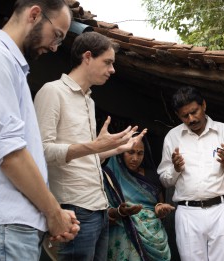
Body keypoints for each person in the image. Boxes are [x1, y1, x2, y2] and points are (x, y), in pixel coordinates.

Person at [0, 1, 80, 260]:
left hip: (7, 230)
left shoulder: (3, 62)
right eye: (57, 36)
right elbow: (11, 155)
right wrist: (53, 213)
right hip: (2, 229)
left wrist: (53, 213)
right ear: (34, 15)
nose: (54, 47)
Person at [34, 31, 144, 260]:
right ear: (87, 57)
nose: (112, 69)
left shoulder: (89, 101)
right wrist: (94, 147)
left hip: (99, 209)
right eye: (108, 62)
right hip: (72, 209)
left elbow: (86, 156)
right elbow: (41, 151)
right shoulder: (52, 92)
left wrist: (116, 148)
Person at [158, 86, 224, 261]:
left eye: (194, 112)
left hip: (222, 210)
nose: (191, 119)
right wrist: (176, 169)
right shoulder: (172, 137)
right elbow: (165, 181)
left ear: (203, 105)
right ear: (177, 115)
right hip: (188, 213)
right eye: (184, 116)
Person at [103, 133, 174, 261]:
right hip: (123, 232)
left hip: (153, 234)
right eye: (130, 152)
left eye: (140, 153)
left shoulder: (151, 176)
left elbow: (159, 205)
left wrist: (160, 209)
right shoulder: (110, 177)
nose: (135, 158)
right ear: (121, 152)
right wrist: (120, 212)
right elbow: (103, 212)